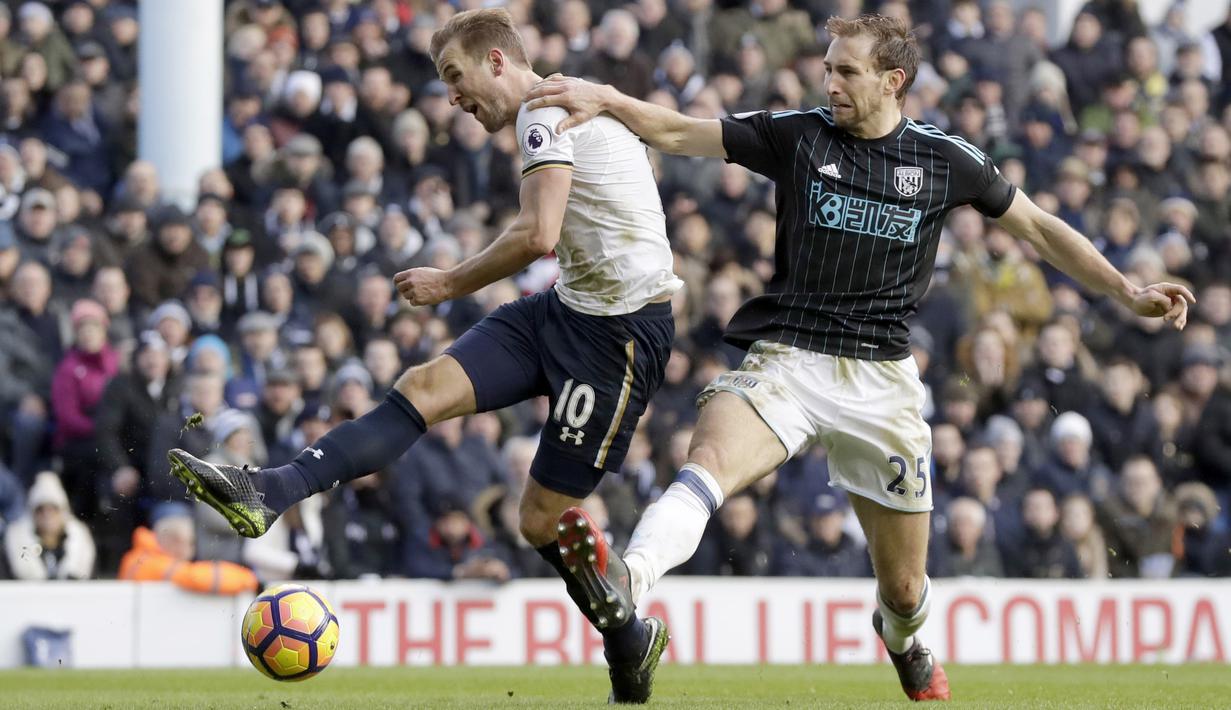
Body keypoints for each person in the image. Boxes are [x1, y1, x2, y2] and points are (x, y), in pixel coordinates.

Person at [524, 12, 1194, 701]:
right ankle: (628, 585)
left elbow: (1039, 229)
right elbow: (676, 130)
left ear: (892, 81)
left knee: (903, 590)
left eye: (846, 70)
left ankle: (902, 639)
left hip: (881, 383)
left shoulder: (943, 160)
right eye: (827, 67)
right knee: (707, 465)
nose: (830, 81)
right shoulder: (798, 136)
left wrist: (1123, 288)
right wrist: (606, 98)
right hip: (787, 359)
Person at [167, 8, 678, 703]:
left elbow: (537, 233)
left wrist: (448, 282)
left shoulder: (542, 113)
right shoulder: (556, 102)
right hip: (568, 306)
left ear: (497, 60)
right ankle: (270, 491)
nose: (452, 98)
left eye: (455, 76)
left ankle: (626, 636)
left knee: (536, 520)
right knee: (423, 385)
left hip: (619, 336)